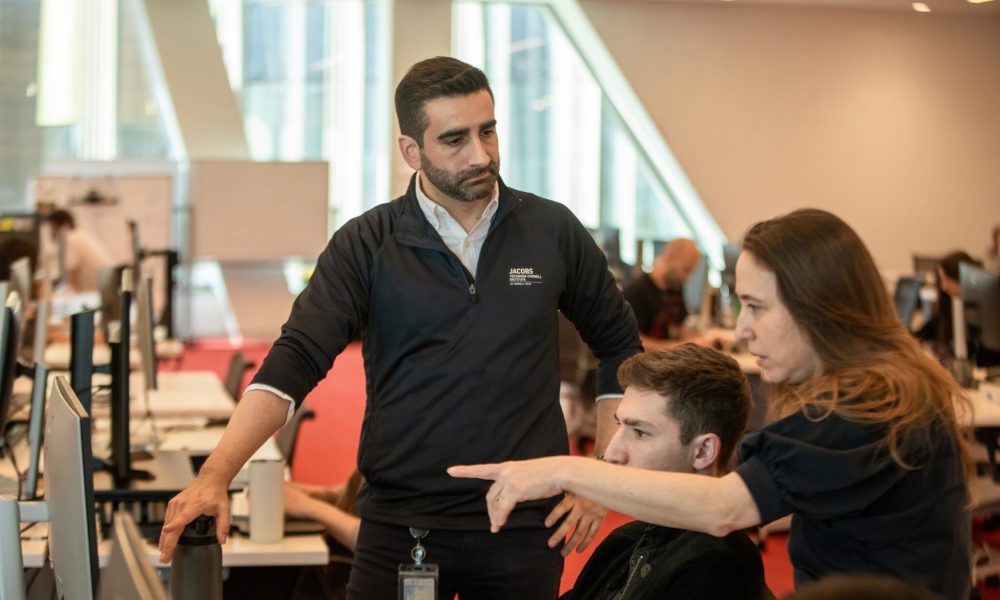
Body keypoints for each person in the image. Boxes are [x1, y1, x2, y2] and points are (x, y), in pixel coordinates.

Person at [158, 56, 642, 599]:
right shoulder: (367, 244)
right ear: (411, 151)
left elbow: (620, 350)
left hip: (524, 525)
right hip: (401, 527)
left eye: (488, 131)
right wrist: (215, 474)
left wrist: (598, 477)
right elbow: (295, 359)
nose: (481, 155)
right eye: (455, 139)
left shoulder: (552, 230)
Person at [451, 208, 973, 599]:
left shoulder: (868, 407)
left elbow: (724, 508)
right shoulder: (875, 391)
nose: (743, 328)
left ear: (818, 309)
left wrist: (562, 471)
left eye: (756, 307)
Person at [562, 344, 770, 600]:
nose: (613, 452)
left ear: (704, 451)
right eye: (619, 425)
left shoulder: (716, 569)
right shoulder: (627, 540)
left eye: (639, 432)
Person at [622, 238, 704, 349]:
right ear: (669, 258)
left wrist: (700, 342)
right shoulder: (636, 292)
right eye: (685, 270)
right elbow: (634, 342)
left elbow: (680, 327)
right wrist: (676, 347)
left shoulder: (675, 286)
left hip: (665, 359)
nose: (688, 277)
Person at [44, 209, 113, 292]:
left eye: (53, 227)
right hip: (103, 288)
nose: (50, 232)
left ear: (65, 225)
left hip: (94, 292)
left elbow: (72, 278)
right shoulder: (80, 234)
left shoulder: (70, 238)